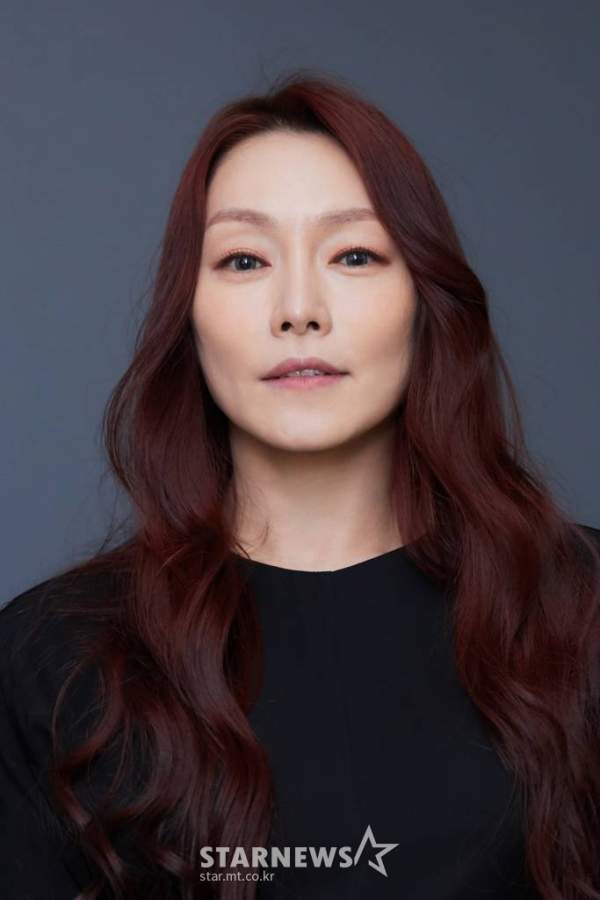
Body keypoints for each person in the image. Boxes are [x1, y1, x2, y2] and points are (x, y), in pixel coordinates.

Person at [1, 69, 599, 900]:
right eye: (245, 259)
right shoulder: (53, 658)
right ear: (188, 315)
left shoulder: (581, 612)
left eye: (353, 255)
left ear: (423, 300)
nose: (299, 309)